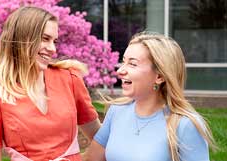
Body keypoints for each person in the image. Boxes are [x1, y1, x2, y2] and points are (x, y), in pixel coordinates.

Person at [0, 6, 100, 161]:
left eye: (54, 41)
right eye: (45, 39)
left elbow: (101, 139)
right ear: (21, 39)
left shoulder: (70, 79)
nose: (53, 49)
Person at [83, 31, 216, 161]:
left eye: (132, 64)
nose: (120, 71)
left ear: (159, 76)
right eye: (124, 62)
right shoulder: (116, 111)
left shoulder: (185, 125)